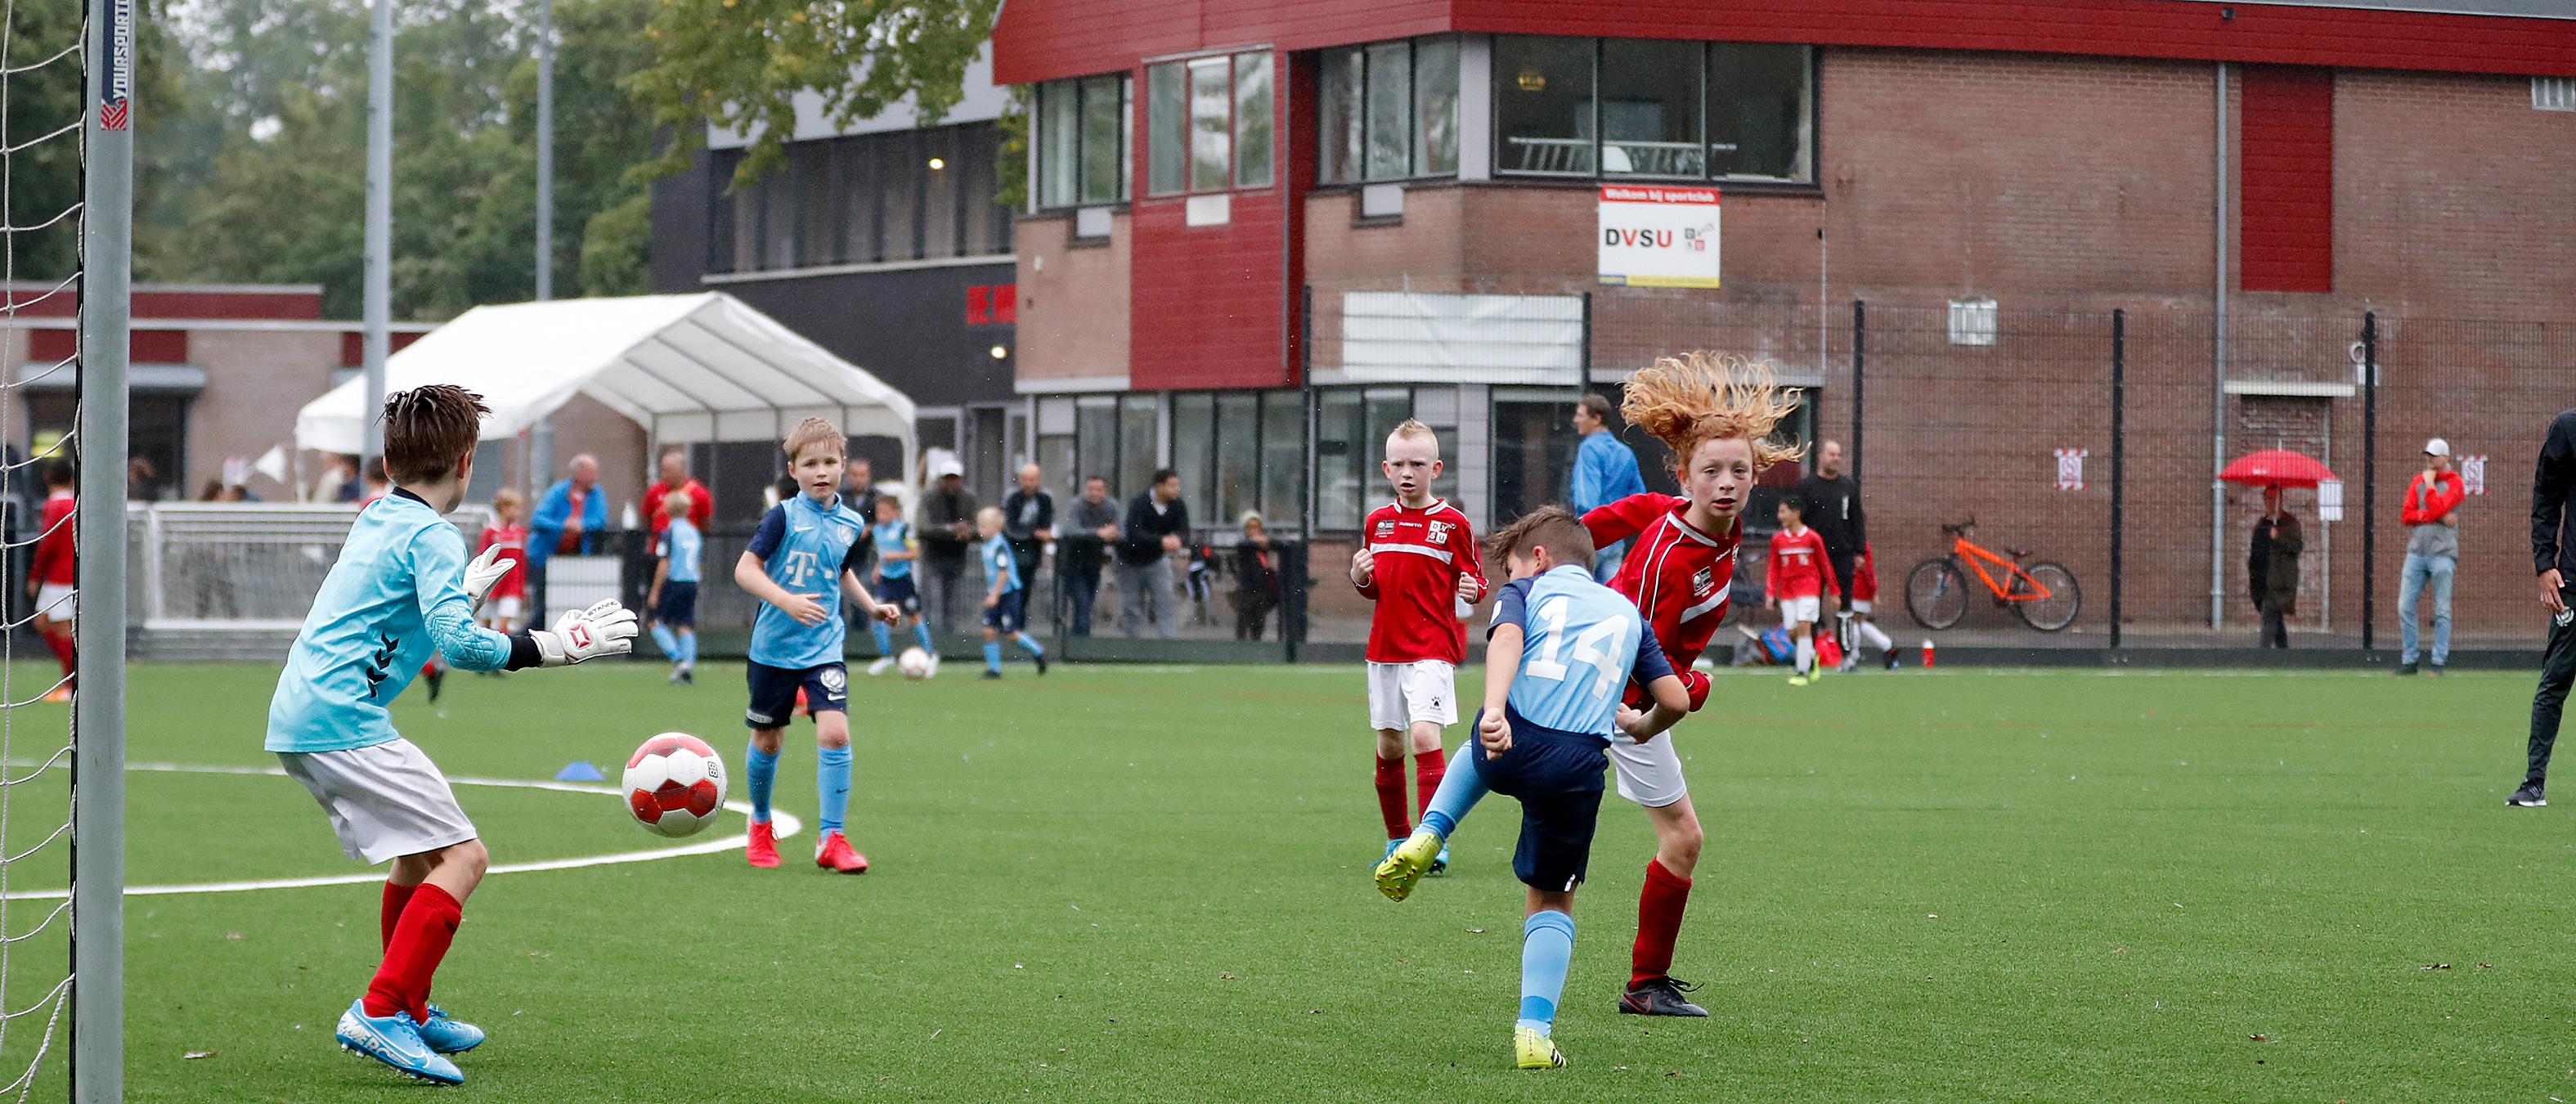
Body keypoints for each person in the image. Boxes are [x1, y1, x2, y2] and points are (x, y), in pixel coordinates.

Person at [267, 385, 636, 1087]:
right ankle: (380, 1009)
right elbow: (459, 648)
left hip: (306, 714)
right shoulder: (435, 534)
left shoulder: (378, 515)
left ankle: (408, 1002)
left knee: (415, 855)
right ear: (467, 463)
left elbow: (386, 611)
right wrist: (559, 644)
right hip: (342, 720)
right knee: (466, 857)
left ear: (391, 461)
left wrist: (458, 592)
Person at [1374, 505, 1690, 1070]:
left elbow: (1506, 641)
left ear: (1538, 559)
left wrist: (1494, 709)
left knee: (1476, 741)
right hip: (1574, 766)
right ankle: (1533, 1034)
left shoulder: (1526, 592)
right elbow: (1675, 700)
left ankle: (1429, 832)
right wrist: (1639, 727)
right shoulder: (1626, 613)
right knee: (1551, 899)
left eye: (1516, 566)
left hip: (1507, 743)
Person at [1575, 349, 1803, 1017]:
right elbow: (1635, 645)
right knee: (1676, 837)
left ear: (1757, 475)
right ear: (1687, 474)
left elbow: (1641, 505)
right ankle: (1643, 985)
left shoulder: (1696, 518)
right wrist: (1684, 692)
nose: (1726, 482)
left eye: (1739, 470)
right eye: (1712, 472)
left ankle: (1646, 983)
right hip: (1615, 692)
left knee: (1664, 835)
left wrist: (1568, 537)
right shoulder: (1672, 561)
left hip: (1622, 691)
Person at [731, 417, 901, 873]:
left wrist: (871, 606)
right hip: (773, 649)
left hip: (825, 646)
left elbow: (840, 571)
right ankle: (761, 823)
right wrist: (785, 600)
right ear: (794, 470)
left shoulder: (851, 521)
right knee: (768, 741)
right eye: (811, 464)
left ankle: (832, 839)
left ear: (843, 465)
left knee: (835, 732)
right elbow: (745, 571)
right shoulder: (782, 517)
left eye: (829, 462)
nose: (821, 471)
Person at [1350, 420, 1491, 870]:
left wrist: (1475, 590)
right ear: (1386, 469)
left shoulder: (1453, 524)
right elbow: (1375, 589)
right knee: (1389, 745)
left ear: (1436, 468)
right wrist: (1360, 577)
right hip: (1384, 649)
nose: (1408, 473)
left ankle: (1431, 840)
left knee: (1425, 736)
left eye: (1418, 464)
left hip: (1432, 645)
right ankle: (1397, 840)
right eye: (1399, 465)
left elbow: (1476, 579)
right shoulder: (1378, 522)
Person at [2515, 408, 2576, 807]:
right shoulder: (2568, 429)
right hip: (2573, 584)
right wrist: (2544, 564)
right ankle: (2534, 782)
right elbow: (2546, 497)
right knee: (2554, 682)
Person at [2397, 438, 2466, 676]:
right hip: (2417, 552)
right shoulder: (2418, 481)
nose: (2430, 460)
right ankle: (2410, 660)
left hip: (2443, 555)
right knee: (2405, 605)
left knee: (2442, 610)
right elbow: (2407, 515)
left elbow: (2438, 508)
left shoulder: (2456, 483)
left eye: (2435, 456)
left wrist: (2429, 486)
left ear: (2446, 458)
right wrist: (2431, 515)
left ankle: (2438, 661)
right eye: (2429, 456)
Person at [1568, 393, 1648, 581]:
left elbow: (1586, 497)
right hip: (1616, 540)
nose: (1576, 420)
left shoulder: (1588, 448)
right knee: (1615, 592)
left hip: (1592, 537)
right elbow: (1639, 497)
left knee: (1583, 592)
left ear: (1597, 419)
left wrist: (1582, 530)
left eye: (1580, 415)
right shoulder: (1625, 452)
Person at [863, 493, 940, 675]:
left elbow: (915, 553)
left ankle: (930, 654)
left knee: (913, 617)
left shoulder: (903, 530)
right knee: (878, 614)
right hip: (886, 580)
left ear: (896, 513)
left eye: (885, 512)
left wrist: (896, 556)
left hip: (903, 579)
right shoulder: (877, 531)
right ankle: (886, 655)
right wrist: (878, 567)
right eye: (878, 512)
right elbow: (882, 554)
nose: (881, 516)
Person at [1766, 496, 1840, 685]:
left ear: (1796, 513)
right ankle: (1812, 656)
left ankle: (1802, 672)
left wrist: (1834, 591)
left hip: (1809, 588)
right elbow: (1774, 567)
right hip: (1787, 592)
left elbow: (1825, 565)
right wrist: (1770, 592)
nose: (1780, 516)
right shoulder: (1778, 539)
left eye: (1783, 511)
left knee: (1804, 626)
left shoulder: (1812, 538)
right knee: (1792, 632)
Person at [528, 454, 608, 627]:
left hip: (576, 559)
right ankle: (530, 636)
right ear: (578, 473)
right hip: (546, 557)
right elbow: (538, 519)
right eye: (591, 473)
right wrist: (564, 526)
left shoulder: (596, 493)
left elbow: (600, 519)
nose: (595, 477)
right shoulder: (558, 491)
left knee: (572, 598)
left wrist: (582, 524)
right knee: (544, 603)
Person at [975, 505, 1050, 679]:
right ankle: (995, 670)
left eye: (984, 527)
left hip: (1008, 594)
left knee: (1012, 634)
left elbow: (1004, 573)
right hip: (996, 592)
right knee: (988, 630)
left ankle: (1038, 651)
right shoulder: (987, 545)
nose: (980, 530)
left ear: (996, 527)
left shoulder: (999, 546)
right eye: (980, 526)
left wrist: (994, 594)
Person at [1117, 469, 1191, 639]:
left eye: (1177, 485)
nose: (1176, 489)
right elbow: (1135, 533)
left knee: (1165, 601)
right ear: (1160, 486)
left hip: (1157, 561)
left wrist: (1178, 539)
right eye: (1172, 485)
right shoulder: (1140, 503)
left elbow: (1184, 531)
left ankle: (1168, 644)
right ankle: (1131, 645)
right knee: (1132, 606)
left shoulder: (1177, 505)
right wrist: (1161, 541)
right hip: (1130, 562)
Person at [28, 460, 74, 702]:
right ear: (72, 480)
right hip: (71, 575)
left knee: (61, 628)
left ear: (47, 479)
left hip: (60, 577)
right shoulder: (75, 504)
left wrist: (36, 576)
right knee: (42, 622)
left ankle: (71, 684)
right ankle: (69, 677)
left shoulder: (55, 506)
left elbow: (47, 545)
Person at [647, 489, 703, 686]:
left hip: (674, 582)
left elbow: (664, 562)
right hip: (691, 582)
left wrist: (655, 591)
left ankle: (679, 661)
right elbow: (697, 562)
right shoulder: (694, 532)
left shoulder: (669, 532)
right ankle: (688, 667)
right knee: (685, 625)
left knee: (655, 622)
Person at [918, 459, 978, 635]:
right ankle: (934, 637)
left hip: (958, 556)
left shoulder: (969, 498)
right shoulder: (929, 497)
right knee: (934, 600)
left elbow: (978, 527)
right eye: (947, 479)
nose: (951, 483)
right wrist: (952, 530)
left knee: (955, 602)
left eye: (955, 479)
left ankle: (952, 637)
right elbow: (922, 528)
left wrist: (968, 532)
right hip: (933, 556)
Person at [1058, 476, 1120, 635]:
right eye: (1091, 489)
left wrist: (1113, 533)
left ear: (1104, 491)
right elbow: (1070, 531)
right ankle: (1079, 645)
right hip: (1073, 564)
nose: (1094, 493)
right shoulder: (1076, 505)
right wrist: (1099, 534)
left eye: (1098, 489)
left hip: (1094, 564)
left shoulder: (1111, 506)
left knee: (1088, 603)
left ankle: (1079, 642)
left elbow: (1120, 528)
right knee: (1082, 603)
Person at [474, 489, 529, 640]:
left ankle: (501, 659)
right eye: (516, 508)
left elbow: (522, 561)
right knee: (485, 622)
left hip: (512, 585)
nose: (519, 513)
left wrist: (521, 584)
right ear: (504, 508)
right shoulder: (491, 531)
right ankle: (476, 654)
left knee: (504, 622)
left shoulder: (519, 532)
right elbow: (483, 558)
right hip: (492, 584)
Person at [1002, 463, 1054, 608]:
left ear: (1039, 480)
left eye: (1033, 479)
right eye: (1026, 479)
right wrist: (1033, 532)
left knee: (1026, 590)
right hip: (1013, 549)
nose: (1029, 484)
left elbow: (1047, 522)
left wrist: (1040, 533)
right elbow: (1010, 527)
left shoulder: (1045, 498)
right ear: (1020, 479)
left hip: (1033, 551)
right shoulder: (1012, 497)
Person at [1842, 544, 1899, 670]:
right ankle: (1888, 646)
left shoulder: (1861, 546)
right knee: (1858, 622)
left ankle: (1852, 658)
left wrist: (1873, 590)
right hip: (1858, 589)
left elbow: (1867, 569)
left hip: (1856, 589)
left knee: (1854, 623)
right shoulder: (1859, 545)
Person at [2259, 486, 2302, 648]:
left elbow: (2296, 547)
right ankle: (2284, 653)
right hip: (2265, 580)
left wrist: (2278, 538)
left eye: (2274, 498)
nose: (2271, 502)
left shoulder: (2290, 524)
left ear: (2281, 500)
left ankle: (2262, 654)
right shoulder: (2263, 524)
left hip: (2281, 582)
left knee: (2270, 614)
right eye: (2268, 499)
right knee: (2275, 619)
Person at [1232, 512, 1281, 641]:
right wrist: (1256, 540)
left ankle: (1256, 644)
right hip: (1247, 589)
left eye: (1257, 528)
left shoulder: (1263, 547)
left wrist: (1264, 541)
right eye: (1250, 527)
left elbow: (1276, 543)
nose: (1254, 531)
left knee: (1259, 621)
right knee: (1243, 619)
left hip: (1262, 589)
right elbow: (1244, 545)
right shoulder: (1244, 546)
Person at [642, 447, 712, 536]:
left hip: (686, 544)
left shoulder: (699, 493)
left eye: (668, 471)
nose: (664, 475)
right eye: (663, 470)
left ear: (681, 471)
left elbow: (705, 524)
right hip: (659, 545)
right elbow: (647, 519)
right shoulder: (654, 491)